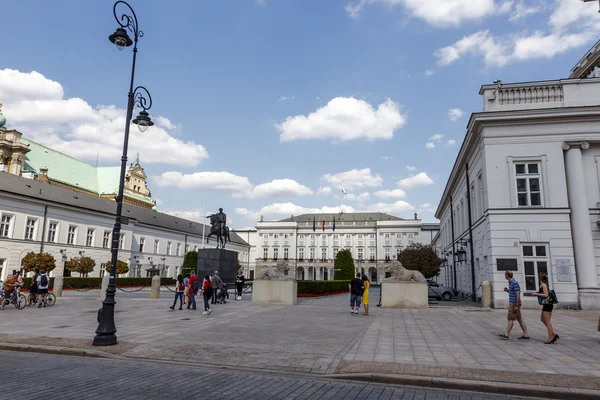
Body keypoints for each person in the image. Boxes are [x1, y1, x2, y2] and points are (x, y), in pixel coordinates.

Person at [498, 270, 529, 340]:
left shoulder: (514, 283)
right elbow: (514, 293)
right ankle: (526, 334)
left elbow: (518, 293)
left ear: (507, 275)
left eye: (505, 274)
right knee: (520, 319)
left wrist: (516, 305)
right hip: (514, 302)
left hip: (514, 303)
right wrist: (508, 291)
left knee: (510, 318)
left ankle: (506, 334)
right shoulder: (511, 282)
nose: (504, 276)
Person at [531, 273, 558, 344]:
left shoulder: (543, 285)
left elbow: (546, 295)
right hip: (546, 304)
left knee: (547, 321)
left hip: (547, 305)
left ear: (540, 278)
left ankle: (550, 337)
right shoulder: (543, 284)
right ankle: (553, 334)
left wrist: (536, 294)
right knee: (542, 319)